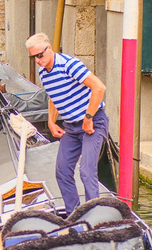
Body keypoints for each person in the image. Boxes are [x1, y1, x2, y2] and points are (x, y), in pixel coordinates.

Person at [26, 33, 108, 215]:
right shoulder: (43, 72)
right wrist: (51, 121)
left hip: (93, 123)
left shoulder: (69, 65)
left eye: (40, 55)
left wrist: (88, 118)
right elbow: (53, 96)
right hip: (71, 127)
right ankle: (74, 215)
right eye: (33, 58)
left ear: (49, 48)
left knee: (86, 172)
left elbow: (99, 87)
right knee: (62, 171)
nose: (38, 61)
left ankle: (95, 216)